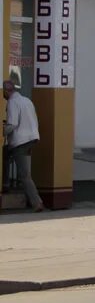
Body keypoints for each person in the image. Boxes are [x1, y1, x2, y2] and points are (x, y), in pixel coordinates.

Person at [4, 81, 42, 212]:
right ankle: (6, 184)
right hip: (32, 138)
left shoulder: (12, 102)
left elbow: (12, 124)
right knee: (6, 155)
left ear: (6, 91)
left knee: (24, 174)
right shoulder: (27, 100)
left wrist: (3, 130)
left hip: (20, 141)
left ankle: (36, 202)